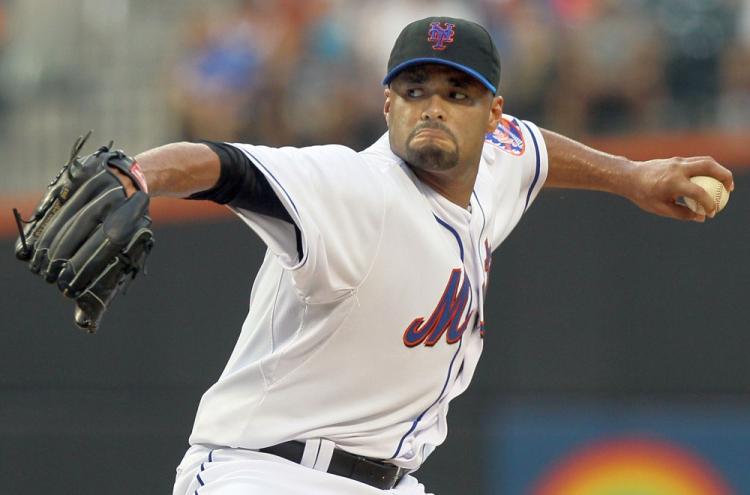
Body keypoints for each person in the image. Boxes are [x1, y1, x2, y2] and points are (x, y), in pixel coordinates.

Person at [67, 17, 741, 495]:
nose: (434, 107)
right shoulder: (354, 188)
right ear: (387, 103)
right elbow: (226, 167)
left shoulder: (499, 160)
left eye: (458, 93)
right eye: (415, 90)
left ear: (492, 115)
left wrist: (631, 176)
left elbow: (534, 149)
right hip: (265, 472)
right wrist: (140, 176)